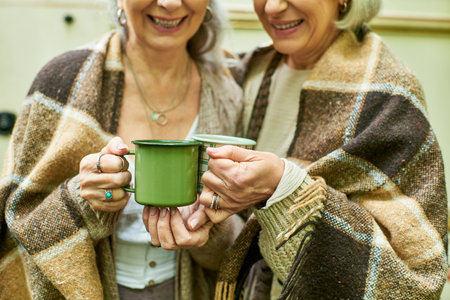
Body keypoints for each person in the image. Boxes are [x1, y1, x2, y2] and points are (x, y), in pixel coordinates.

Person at [198, 0, 448, 299]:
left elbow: (412, 279)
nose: (273, 8)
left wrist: (284, 189)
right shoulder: (248, 71)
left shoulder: (388, 94)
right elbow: (243, 234)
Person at [0, 0, 245, 299]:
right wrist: (81, 199)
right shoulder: (63, 80)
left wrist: (208, 227)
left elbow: (242, 242)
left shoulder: (231, 90)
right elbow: (15, 217)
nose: (169, 3)